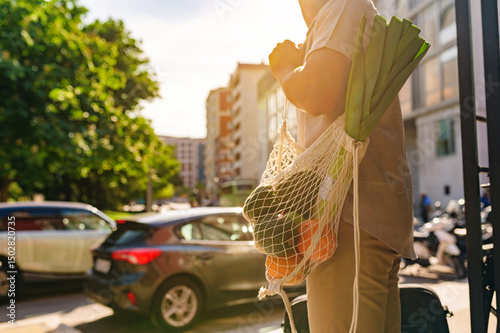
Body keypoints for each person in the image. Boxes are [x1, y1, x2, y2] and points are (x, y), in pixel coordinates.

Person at [268, 0, 415, 332]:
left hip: (345, 217)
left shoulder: (343, 6)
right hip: (366, 219)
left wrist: (283, 68)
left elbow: (316, 91)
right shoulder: (346, 13)